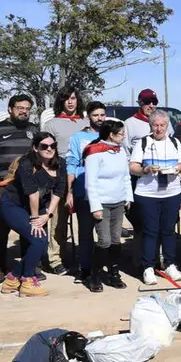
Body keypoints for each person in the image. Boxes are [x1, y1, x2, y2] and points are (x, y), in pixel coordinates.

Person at [0, 94, 38, 288]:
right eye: (20, 108)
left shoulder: (34, 130)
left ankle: (30, 267)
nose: (24, 112)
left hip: (26, 188)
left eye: (27, 109)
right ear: (10, 109)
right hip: (1, 187)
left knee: (30, 228)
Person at [0, 132, 66, 297]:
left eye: (53, 146)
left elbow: (59, 191)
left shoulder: (60, 163)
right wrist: (35, 219)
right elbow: (32, 194)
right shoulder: (26, 163)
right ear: (35, 148)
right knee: (38, 239)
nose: (49, 149)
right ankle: (27, 281)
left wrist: (48, 215)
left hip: (39, 206)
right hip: (14, 205)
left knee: (40, 243)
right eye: (44, 146)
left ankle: (12, 279)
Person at [129, 110, 181, 284]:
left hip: (172, 193)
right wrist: (145, 170)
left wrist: (178, 168)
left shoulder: (175, 142)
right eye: (156, 125)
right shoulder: (143, 143)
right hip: (147, 194)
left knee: (169, 230)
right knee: (150, 231)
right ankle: (148, 267)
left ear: (167, 126)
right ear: (150, 126)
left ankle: (169, 263)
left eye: (162, 125)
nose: (159, 129)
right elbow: (133, 167)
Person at [42, 84, 87, 275]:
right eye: (66, 98)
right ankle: (55, 259)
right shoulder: (51, 124)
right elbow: (45, 152)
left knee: (86, 221)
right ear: (61, 101)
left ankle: (86, 257)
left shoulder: (86, 123)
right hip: (60, 175)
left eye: (73, 98)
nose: (70, 102)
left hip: (83, 175)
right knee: (59, 221)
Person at [83, 119, 133, 291]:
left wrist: (128, 197)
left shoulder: (120, 151)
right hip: (102, 202)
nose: (123, 136)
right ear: (111, 134)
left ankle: (114, 273)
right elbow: (90, 182)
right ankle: (95, 275)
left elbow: (125, 176)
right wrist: (95, 206)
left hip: (118, 201)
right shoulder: (95, 152)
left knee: (116, 239)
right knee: (104, 240)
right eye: (120, 133)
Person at [67, 101, 107, 286]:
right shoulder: (78, 137)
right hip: (83, 190)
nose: (99, 118)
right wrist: (69, 191)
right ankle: (85, 269)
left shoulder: (110, 136)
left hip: (106, 192)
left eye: (102, 115)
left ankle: (103, 268)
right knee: (85, 233)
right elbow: (71, 164)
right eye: (96, 115)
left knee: (105, 234)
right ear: (88, 117)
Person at [123, 89, 170, 156]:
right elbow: (125, 150)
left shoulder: (165, 121)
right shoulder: (129, 123)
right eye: (147, 102)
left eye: (154, 102)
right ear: (140, 103)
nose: (151, 106)